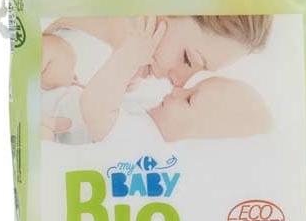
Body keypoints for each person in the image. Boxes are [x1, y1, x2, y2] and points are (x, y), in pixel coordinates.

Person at [42, 17, 271, 144]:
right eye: (187, 58)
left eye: (189, 99)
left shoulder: (150, 143)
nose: (178, 86)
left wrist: (126, 62)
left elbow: (95, 109)